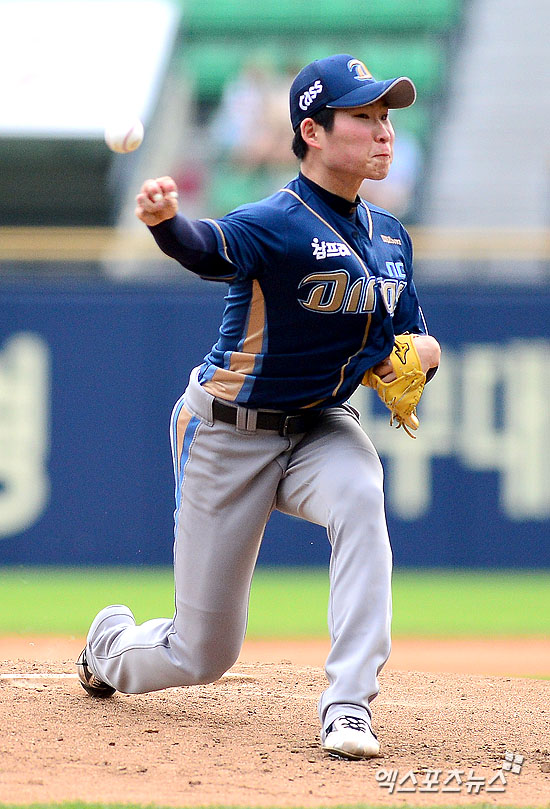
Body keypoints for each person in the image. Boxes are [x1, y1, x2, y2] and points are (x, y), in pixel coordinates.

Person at [77, 54, 441, 761]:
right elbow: (207, 248)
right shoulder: (276, 221)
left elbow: (413, 339)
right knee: (201, 653)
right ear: (312, 131)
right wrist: (165, 223)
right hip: (227, 433)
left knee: (362, 494)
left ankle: (349, 705)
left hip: (319, 427)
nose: (384, 131)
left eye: (386, 117)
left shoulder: (391, 237)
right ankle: (108, 644)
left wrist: (420, 356)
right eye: (363, 116)